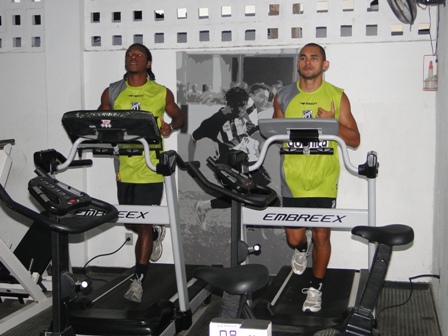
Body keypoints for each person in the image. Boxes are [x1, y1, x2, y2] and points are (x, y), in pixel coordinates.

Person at [272, 43, 360, 313]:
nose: (307, 62)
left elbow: (355, 139)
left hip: (323, 179)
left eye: (314, 57)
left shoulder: (336, 96)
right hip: (292, 179)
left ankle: (315, 288)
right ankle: (301, 249)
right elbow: (273, 135)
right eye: (303, 58)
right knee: (294, 237)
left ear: (325, 64)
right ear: (298, 65)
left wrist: (333, 123)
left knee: (322, 235)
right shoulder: (283, 96)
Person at [98, 43, 185, 303]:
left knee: (143, 223)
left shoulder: (160, 91)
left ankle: (139, 280)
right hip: (124, 167)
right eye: (129, 54)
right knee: (130, 222)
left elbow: (179, 115)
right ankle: (155, 233)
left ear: (148, 63)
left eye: (139, 55)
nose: (133, 57)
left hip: (150, 167)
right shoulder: (113, 91)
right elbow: (100, 119)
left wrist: (170, 126)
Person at [189, 87, 272, 228]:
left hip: (246, 160)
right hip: (226, 164)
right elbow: (193, 139)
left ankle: (251, 224)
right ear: (231, 105)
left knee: (263, 189)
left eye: (245, 106)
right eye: (241, 107)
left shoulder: (243, 112)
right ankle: (205, 207)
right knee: (239, 195)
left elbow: (249, 131)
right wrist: (191, 162)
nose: (244, 110)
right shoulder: (213, 122)